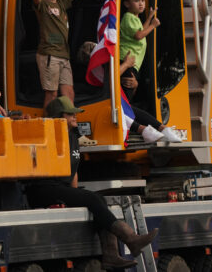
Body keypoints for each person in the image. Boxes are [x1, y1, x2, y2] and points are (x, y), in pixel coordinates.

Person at [25, 96, 158, 269]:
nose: (75, 116)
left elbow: (74, 170)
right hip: (42, 188)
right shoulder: (48, 136)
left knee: (98, 200)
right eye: (70, 114)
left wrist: (77, 196)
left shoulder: (73, 136)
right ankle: (130, 238)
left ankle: (111, 255)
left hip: (60, 187)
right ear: (58, 116)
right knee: (93, 199)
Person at [33, 0, 99, 108]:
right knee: (52, 94)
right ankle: (49, 122)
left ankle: (68, 122)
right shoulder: (43, 5)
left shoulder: (62, 3)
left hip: (64, 55)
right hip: (49, 54)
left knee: (69, 93)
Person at [119, 0, 182, 143]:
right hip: (126, 62)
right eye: (137, 1)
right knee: (124, 106)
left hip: (132, 65)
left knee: (125, 106)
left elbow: (141, 29)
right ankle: (156, 129)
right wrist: (153, 25)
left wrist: (149, 18)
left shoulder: (134, 18)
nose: (141, 3)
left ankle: (154, 130)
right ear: (126, 4)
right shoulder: (128, 17)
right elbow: (139, 35)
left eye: (143, 0)